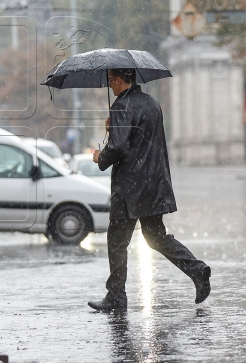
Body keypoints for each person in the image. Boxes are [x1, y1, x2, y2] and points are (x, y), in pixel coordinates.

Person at [88, 68, 211, 312]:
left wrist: (101, 156)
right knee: (156, 237)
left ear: (121, 79)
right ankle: (198, 271)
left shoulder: (121, 106)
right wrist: (116, 127)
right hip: (153, 184)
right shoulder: (151, 103)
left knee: (116, 241)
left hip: (129, 188)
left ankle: (116, 297)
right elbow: (139, 140)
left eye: (111, 80)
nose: (110, 85)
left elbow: (120, 147)